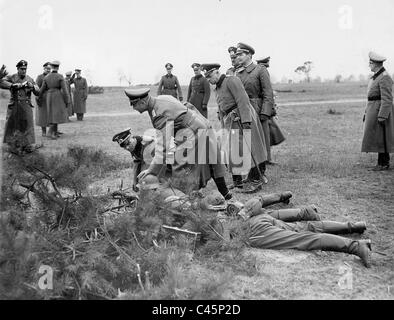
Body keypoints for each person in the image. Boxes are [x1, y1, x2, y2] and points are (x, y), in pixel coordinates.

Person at [124, 88, 232, 200]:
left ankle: (186, 200)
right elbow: (186, 106)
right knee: (211, 161)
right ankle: (225, 193)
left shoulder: (159, 114)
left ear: (142, 102)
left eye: (134, 105)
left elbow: (163, 147)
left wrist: (151, 170)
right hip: (199, 125)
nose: (134, 108)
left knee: (182, 169)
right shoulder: (161, 99)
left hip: (193, 132)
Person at [230, 197, 372, 268]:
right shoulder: (235, 212)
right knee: (303, 228)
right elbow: (257, 201)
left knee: (304, 238)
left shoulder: (218, 222)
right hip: (253, 222)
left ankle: (356, 246)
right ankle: (354, 227)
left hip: (253, 231)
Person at [201, 64, 268, 192]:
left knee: (250, 148)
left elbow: (242, 99)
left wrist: (246, 121)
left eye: (209, 76)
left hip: (241, 117)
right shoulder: (217, 88)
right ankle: (238, 182)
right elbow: (221, 109)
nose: (209, 80)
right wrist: (223, 127)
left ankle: (256, 179)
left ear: (216, 72)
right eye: (207, 78)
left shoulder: (231, 80)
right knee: (232, 151)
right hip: (229, 120)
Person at [235, 43, 275, 165]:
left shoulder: (260, 70)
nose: (238, 57)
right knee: (247, 139)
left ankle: (261, 171)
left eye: (241, 54)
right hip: (244, 110)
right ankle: (250, 170)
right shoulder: (238, 73)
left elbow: (268, 93)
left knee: (261, 141)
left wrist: (265, 112)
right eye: (237, 55)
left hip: (258, 109)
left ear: (249, 55)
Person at [362, 51, 394, 171]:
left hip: (380, 111)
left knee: (383, 138)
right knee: (378, 137)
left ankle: (384, 163)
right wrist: (366, 111)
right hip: (374, 110)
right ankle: (380, 163)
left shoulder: (384, 77)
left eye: (370, 63)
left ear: (376, 64)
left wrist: (382, 115)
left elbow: (387, 99)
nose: (369, 65)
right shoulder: (377, 76)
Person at [0, 60, 41, 153]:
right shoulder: (12, 77)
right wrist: (12, 85)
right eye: (22, 69)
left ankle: (26, 146)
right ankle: (13, 146)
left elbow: (38, 92)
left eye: (25, 69)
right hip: (15, 105)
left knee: (26, 126)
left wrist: (33, 87)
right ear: (18, 69)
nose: (24, 71)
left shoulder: (30, 78)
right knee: (13, 125)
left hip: (26, 105)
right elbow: (1, 82)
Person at [256, 56, 285, 157]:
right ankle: (266, 157)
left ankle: (266, 157)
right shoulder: (263, 72)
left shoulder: (259, 71)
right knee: (267, 134)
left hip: (263, 107)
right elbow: (267, 92)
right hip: (264, 107)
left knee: (268, 133)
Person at [38, 61, 70, 140]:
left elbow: (41, 90)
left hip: (49, 96)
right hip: (57, 95)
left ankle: (53, 132)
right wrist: (67, 101)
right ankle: (53, 133)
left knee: (51, 114)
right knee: (56, 114)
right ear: (58, 68)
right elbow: (65, 91)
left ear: (51, 67)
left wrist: (39, 97)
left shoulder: (46, 77)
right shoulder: (60, 76)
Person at [35, 62, 51, 137]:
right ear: (44, 68)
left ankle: (52, 131)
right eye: (47, 69)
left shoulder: (52, 76)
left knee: (51, 115)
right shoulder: (40, 77)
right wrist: (38, 98)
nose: (48, 70)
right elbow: (36, 89)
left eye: (49, 69)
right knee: (42, 116)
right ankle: (43, 132)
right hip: (42, 98)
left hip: (51, 98)